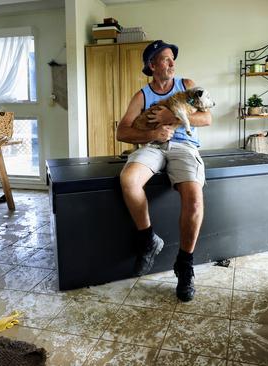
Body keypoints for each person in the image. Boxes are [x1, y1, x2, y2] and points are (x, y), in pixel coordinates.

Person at [116, 40, 212, 302]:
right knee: (129, 180)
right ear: (152, 65)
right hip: (153, 146)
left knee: (194, 198)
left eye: (172, 59)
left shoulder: (186, 85)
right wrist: (152, 133)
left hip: (184, 147)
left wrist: (174, 118)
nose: (172, 64)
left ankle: (184, 264)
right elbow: (121, 131)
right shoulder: (142, 95)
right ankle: (148, 239)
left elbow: (207, 118)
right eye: (166, 59)